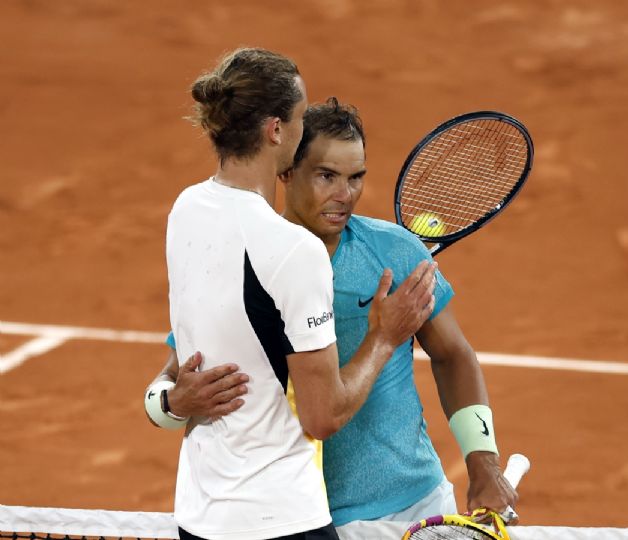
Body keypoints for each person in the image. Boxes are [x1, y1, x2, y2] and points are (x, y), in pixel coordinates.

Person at [147, 98, 518, 530]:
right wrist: (170, 405)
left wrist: (482, 463)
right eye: (326, 176)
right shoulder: (247, 259)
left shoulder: (394, 252)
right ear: (286, 171)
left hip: (421, 503)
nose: (345, 195)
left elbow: (452, 355)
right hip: (314, 520)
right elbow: (172, 376)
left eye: (356, 177)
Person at [152, 48, 437, 540]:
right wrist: (385, 338)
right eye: (302, 117)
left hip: (199, 521)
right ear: (275, 130)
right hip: (281, 520)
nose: (306, 129)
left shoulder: (186, 211)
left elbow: (172, 384)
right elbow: (323, 415)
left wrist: (170, 404)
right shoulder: (294, 251)